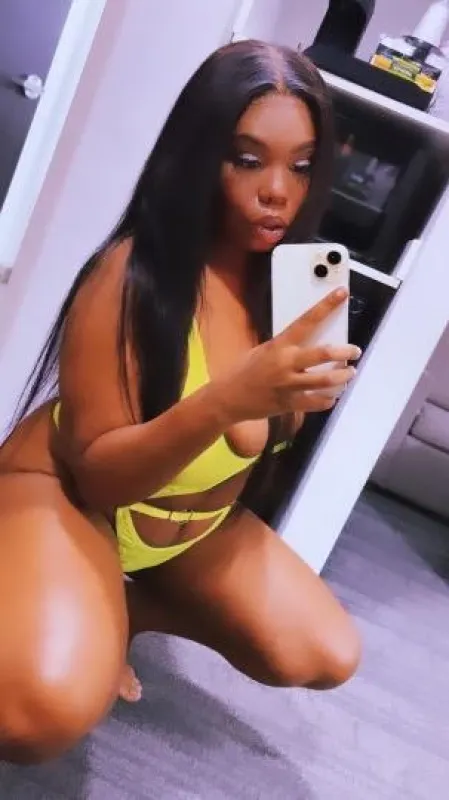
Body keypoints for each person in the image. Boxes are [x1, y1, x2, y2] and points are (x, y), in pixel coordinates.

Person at [0, 39, 362, 765]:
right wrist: (229, 399)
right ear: (200, 156)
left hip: (188, 528)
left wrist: (299, 398)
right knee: (36, 713)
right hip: (76, 495)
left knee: (324, 652)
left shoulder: (290, 285)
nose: (277, 191)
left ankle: (121, 611)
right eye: (247, 159)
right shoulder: (132, 273)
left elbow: (261, 442)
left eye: (300, 165)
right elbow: (102, 478)